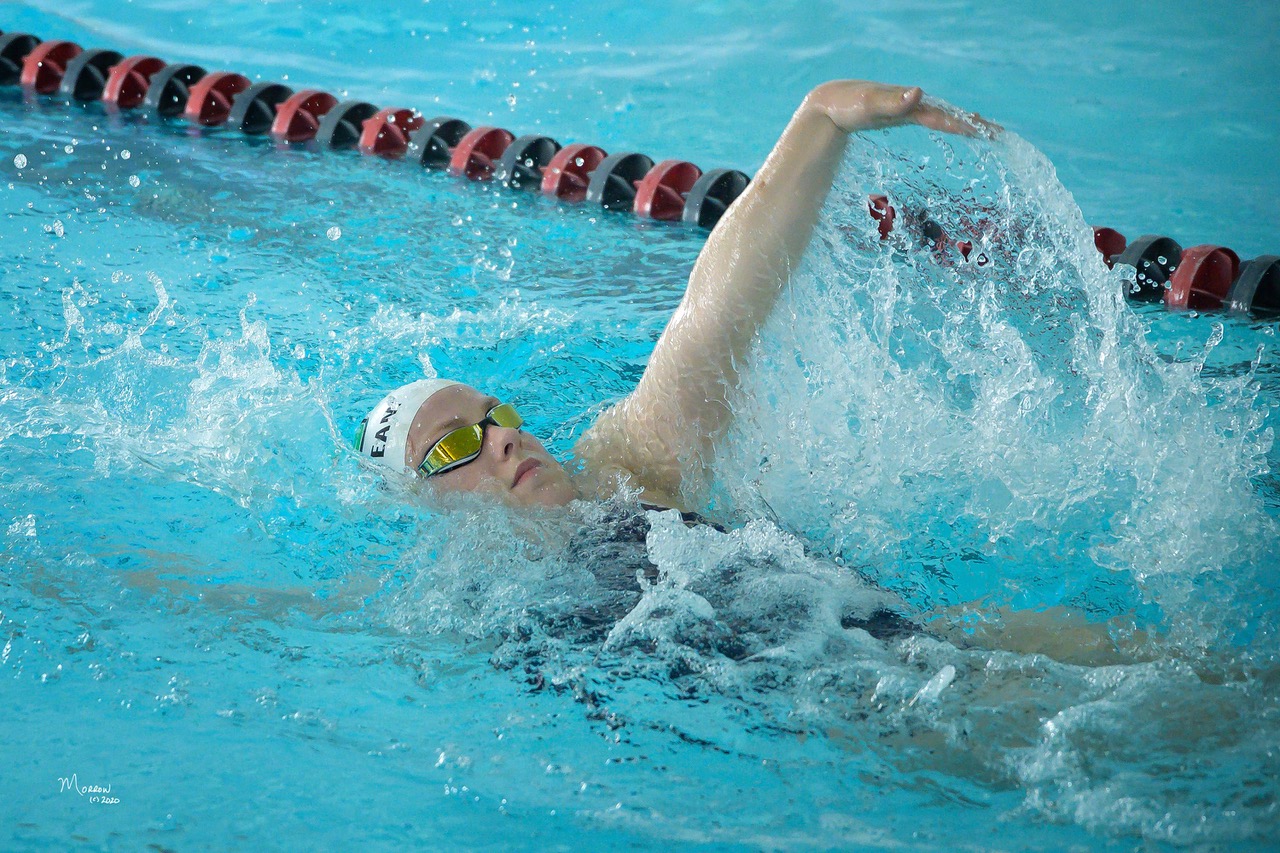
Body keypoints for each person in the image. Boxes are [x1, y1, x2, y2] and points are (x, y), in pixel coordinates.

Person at [354, 81, 990, 511]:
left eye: (499, 417)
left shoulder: (624, 471)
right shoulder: (453, 614)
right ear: (419, 504)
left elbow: (714, 319)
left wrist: (819, 122)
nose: (502, 440)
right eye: (455, 445)